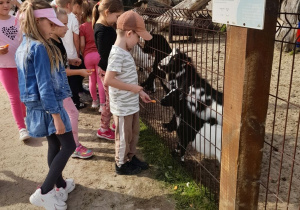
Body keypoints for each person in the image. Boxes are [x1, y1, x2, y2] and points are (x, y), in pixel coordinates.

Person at [16, 1, 76, 209]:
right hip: (49, 106)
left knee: (54, 144)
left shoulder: (24, 45)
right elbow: (45, 84)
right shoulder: (40, 47)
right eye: (49, 23)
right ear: (38, 21)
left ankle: (59, 184)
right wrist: (56, 115)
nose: (53, 27)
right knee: (69, 145)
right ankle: (44, 191)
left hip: (38, 105)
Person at [104, 10, 153, 175]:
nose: (139, 41)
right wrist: (134, 89)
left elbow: (129, 79)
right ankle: (121, 164)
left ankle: (130, 158)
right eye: (138, 37)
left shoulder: (125, 52)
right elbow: (108, 80)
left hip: (131, 102)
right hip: (123, 106)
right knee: (124, 136)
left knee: (133, 133)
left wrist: (139, 92)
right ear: (129, 33)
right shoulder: (117, 54)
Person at [52, 6, 93, 159]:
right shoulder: (52, 45)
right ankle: (74, 146)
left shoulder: (58, 40)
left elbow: (62, 64)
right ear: (51, 24)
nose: (67, 28)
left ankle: (68, 142)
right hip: (58, 87)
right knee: (73, 113)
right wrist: (79, 72)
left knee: (68, 114)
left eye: (67, 24)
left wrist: (71, 61)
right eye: (63, 24)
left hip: (61, 86)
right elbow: (59, 71)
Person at [92, 0, 123, 140]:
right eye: (117, 17)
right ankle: (103, 129)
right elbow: (104, 53)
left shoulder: (106, 26)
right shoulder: (102, 30)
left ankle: (115, 124)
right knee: (111, 102)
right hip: (107, 70)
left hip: (110, 69)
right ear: (107, 13)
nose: (117, 20)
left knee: (114, 99)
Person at [0, 0, 30, 141]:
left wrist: (18, 3)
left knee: (23, 94)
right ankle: (21, 128)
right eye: (0, 2)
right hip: (4, 66)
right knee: (14, 96)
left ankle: (25, 117)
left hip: (22, 64)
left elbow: (30, 11)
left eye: (7, 2)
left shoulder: (18, 19)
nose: (5, 5)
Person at [56, 0, 85, 109]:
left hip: (64, 56)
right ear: (69, 5)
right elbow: (76, 39)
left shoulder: (56, 14)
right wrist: (77, 54)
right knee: (73, 81)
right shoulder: (72, 18)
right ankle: (75, 102)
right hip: (71, 54)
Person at [80, 0, 105, 109]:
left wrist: (83, 53)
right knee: (100, 80)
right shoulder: (99, 25)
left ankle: (94, 101)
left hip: (88, 56)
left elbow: (81, 44)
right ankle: (103, 104)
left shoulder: (83, 27)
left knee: (91, 80)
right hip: (98, 55)